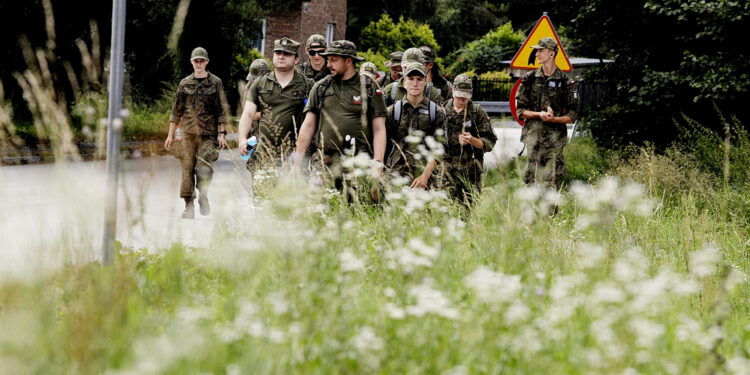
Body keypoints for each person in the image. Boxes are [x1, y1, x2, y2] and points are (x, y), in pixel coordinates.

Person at [293, 40, 387, 190]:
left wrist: (377, 163)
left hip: (358, 161)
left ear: (349, 61)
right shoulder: (321, 87)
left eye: (334, 60)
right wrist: (297, 164)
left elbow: (379, 129)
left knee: (356, 208)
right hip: (325, 161)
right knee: (319, 206)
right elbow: (308, 126)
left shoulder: (367, 86)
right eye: (328, 59)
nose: (328, 64)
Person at [164, 47, 229, 219]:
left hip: (208, 135)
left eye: (202, 60)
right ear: (191, 62)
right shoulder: (185, 83)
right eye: (196, 61)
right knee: (186, 170)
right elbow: (176, 111)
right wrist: (170, 135)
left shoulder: (215, 83)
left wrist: (223, 134)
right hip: (187, 135)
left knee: (203, 169)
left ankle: (203, 195)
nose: (199, 64)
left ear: (207, 62)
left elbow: (221, 110)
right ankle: (189, 206)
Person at [238, 38, 314, 170]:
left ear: (296, 59)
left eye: (287, 54)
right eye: (278, 53)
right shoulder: (260, 83)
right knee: (262, 190)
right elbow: (248, 113)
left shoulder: (308, 85)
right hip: (265, 152)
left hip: (295, 153)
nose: (281, 57)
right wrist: (242, 139)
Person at [515, 37, 578, 190]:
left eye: (540, 50)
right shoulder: (529, 79)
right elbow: (520, 112)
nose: (536, 54)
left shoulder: (566, 82)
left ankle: (549, 215)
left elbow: (572, 116)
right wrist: (539, 115)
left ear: (551, 53)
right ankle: (530, 213)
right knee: (531, 182)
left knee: (551, 184)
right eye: (536, 51)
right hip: (533, 139)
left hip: (554, 141)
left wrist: (554, 119)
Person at [386, 61, 447, 189]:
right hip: (396, 177)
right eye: (411, 78)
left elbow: (439, 148)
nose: (415, 83)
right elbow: (383, 145)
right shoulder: (392, 111)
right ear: (404, 81)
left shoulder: (436, 112)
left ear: (425, 81)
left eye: (419, 79)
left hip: (426, 180)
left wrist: (425, 176)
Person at [441, 74, 497, 204]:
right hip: (446, 170)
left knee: (468, 208)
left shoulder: (477, 112)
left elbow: (489, 143)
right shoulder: (442, 110)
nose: (461, 99)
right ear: (453, 91)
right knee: (446, 208)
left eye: (465, 97)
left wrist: (472, 140)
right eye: (459, 95)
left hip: (471, 172)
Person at [242, 58, 269, 136]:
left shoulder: (271, 84)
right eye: (252, 79)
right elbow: (249, 115)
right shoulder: (249, 87)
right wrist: (266, 114)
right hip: (254, 131)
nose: (253, 81)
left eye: (255, 78)